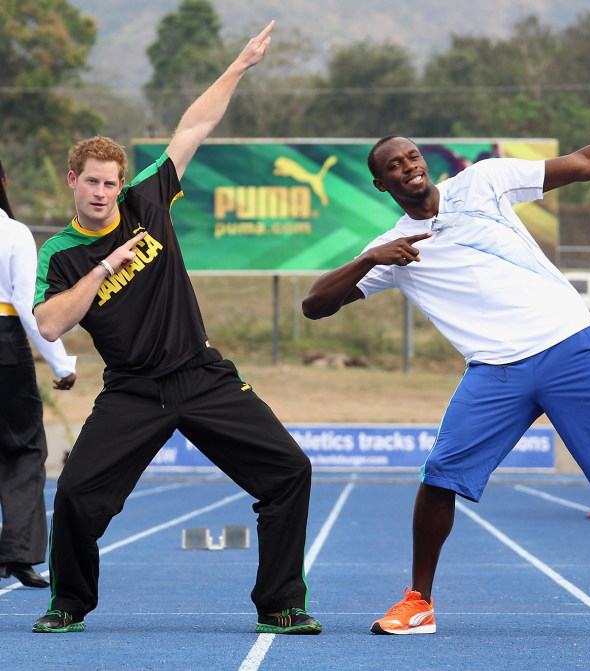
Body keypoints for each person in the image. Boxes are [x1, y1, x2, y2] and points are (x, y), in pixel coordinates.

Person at [302, 103, 590, 640]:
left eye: (412, 155)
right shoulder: (390, 249)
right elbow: (314, 305)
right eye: (394, 165)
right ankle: (419, 602)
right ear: (380, 182)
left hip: (566, 344)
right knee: (440, 476)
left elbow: (585, 162)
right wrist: (372, 260)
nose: (408, 165)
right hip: (494, 370)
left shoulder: (483, 181)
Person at [30, 22, 320, 635]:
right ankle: (68, 604)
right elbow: (51, 324)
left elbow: (193, 127)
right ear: (73, 182)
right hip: (133, 391)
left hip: (201, 375)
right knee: (77, 498)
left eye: (111, 181)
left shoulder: (145, 202)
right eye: (92, 181)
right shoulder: (58, 253)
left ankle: (280, 604)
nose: (104, 192)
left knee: (290, 471)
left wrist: (240, 65)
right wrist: (107, 263)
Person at [0, 159, 77, 589]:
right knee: (24, 449)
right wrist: (62, 365)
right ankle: (17, 555)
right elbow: (31, 309)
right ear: (3, 183)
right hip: (4, 342)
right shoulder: (12, 232)